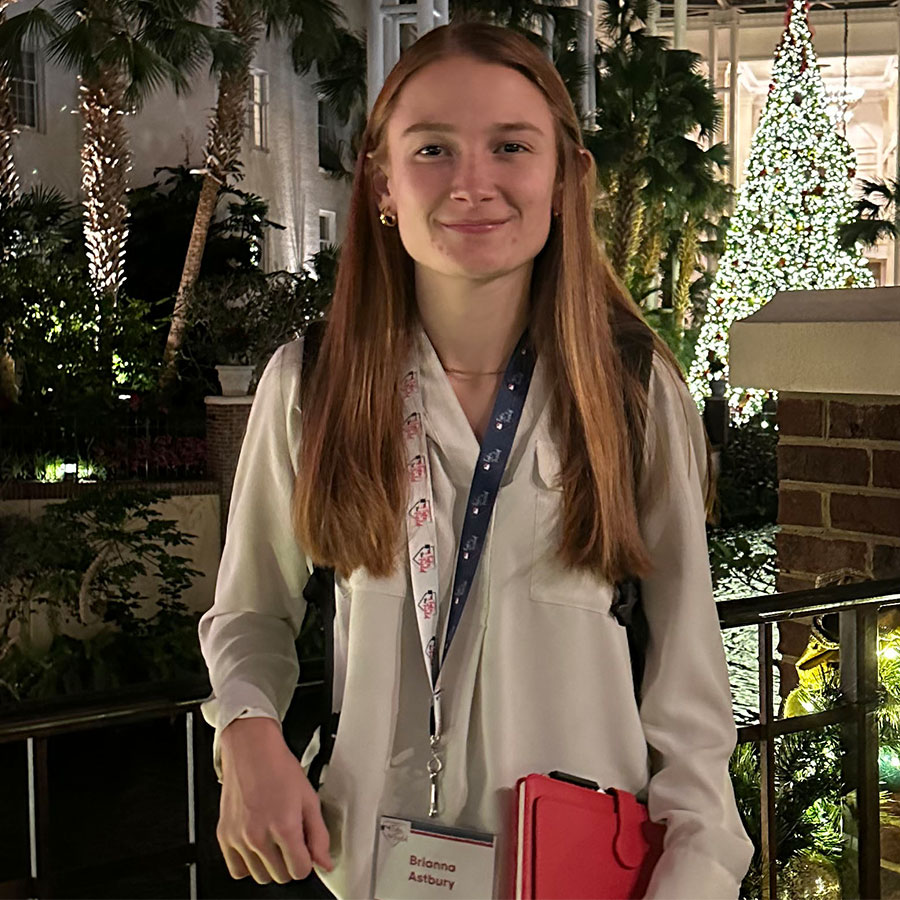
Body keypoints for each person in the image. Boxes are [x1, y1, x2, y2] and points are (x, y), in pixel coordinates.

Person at [198, 19, 755, 900]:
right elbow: (249, 615)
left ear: (564, 179)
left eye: (510, 146)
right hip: (374, 873)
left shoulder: (632, 390)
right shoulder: (314, 382)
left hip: (586, 881)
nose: (473, 183)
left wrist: (695, 875)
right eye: (432, 150)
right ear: (382, 183)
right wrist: (248, 732)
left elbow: (688, 692)